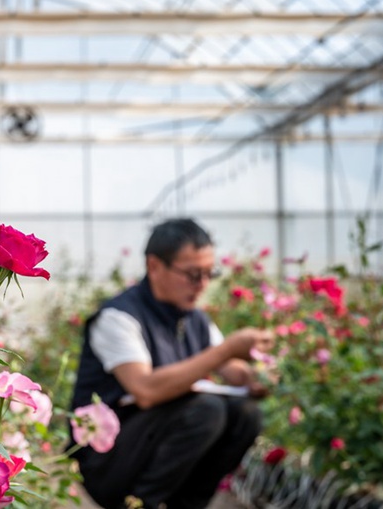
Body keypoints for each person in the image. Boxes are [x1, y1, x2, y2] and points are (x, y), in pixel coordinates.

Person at [70, 218, 274, 509]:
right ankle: (138, 505)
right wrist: (228, 349)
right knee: (206, 409)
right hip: (108, 462)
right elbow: (145, 390)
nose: (202, 285)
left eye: (208, 273)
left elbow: (233, 372)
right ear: (154, 266)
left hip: (150, 448)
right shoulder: (118, 317)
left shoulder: (194, 319)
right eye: (192, 274)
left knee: (245, 414)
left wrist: (258, 376)